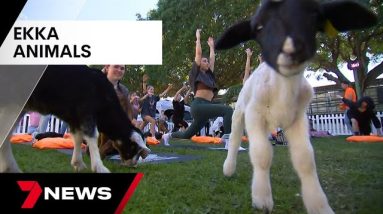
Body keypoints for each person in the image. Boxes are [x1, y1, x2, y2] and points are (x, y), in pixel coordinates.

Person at [162, 29, 233, 146]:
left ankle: (168, 135)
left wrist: (211, 47)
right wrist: (198, 39)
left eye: (207, 61)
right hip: (198, 105)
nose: (207, 62)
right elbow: (198, 54)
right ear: (199, 64)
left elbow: (212, 60)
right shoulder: (196, 73)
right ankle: (229, 142)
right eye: (204, 61)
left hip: (207, 106)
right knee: (227, 110)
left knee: (186, 135)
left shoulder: (209, 76)